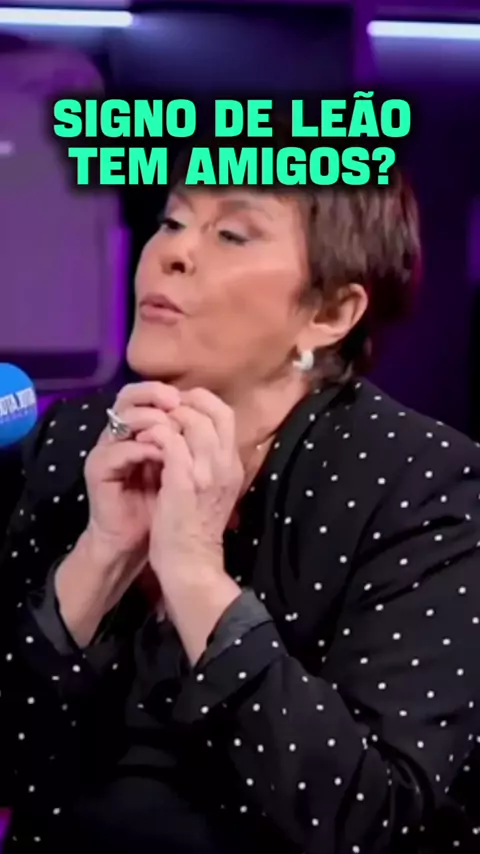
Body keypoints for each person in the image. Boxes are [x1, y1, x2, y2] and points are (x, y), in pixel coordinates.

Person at [2, 163, 480, 854]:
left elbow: (370, 817)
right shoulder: (72, 441)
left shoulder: (424, 483)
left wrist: (194, 572)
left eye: (232, 234)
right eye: (172, 220)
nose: (173, 251)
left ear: (329, 313)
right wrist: (100, 557)